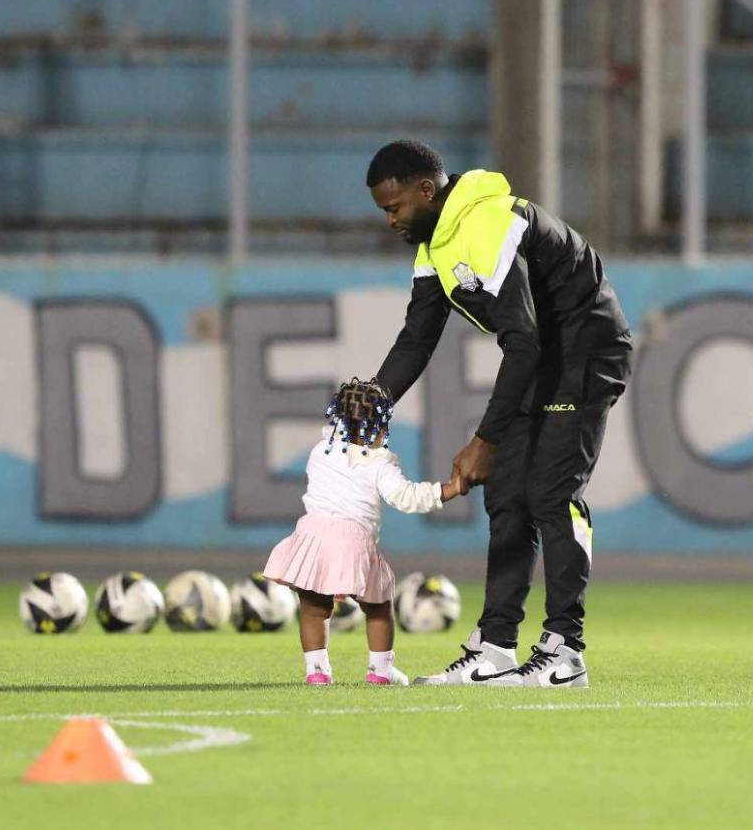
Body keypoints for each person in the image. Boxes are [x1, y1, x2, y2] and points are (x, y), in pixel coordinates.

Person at [367, 140, 633, 689]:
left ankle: (566, 651)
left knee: (552, 494)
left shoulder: (486, 222)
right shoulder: (434, 244)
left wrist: (484, 439)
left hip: (585, 353)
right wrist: (373, 399)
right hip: (543, 359)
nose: (390, 220)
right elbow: (417, 339)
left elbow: (524, 340)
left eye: (394, 207)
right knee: (507, 495)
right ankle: (495, 650)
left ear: (426, 189)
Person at [263, 377, 464, 686]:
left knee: (314, 610)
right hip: (352, 541)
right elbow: (405, 497)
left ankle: (317, 672)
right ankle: (381, 671)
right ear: (380, 424)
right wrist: (448, 489)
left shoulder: (320, 450)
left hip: (312, 534)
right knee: (379, 607)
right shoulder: (379, 461)